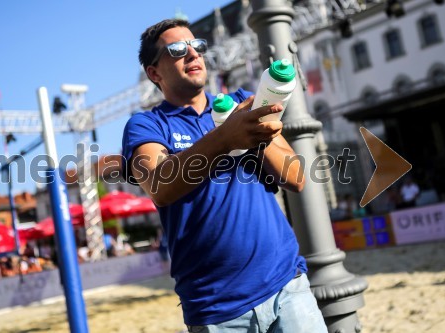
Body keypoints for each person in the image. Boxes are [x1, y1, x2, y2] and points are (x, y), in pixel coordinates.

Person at [122, 19, 327, 332]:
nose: (193, 54)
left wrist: (255, 131)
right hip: (216, 310)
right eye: (177, 50)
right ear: (154, 73)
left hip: (287, 285)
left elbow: (296, 176)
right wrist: (227, 136)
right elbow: (159, 185)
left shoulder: (241, 102)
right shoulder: (147, 125)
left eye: (198, 46)